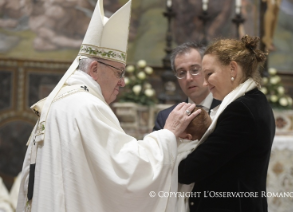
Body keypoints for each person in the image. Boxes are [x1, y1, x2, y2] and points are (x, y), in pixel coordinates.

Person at [16, 1, 201, 211]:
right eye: (118, 72)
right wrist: (168, 134)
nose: (122, 82)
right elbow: (126, 171)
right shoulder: (86, 106)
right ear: (95, 68)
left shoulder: (64, 101)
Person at [178, 35, 276, 211]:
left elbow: (191, 169)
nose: (205, 83)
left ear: (232, 69)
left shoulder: (241, 111)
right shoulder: (255, 101)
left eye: (209, 74)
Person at [153, 42, 221, 131]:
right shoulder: (166, 117)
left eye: (195, 70)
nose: (188, 78)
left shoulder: (227, 108)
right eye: (182, 73)